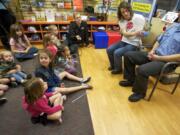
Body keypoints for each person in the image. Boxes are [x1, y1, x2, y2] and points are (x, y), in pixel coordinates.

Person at [119, 20, 180, 102]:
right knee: (128, 55)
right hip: (155, 54)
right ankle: (131, 80)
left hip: (167, 63)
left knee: (142, 70)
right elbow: (159, 40)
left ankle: (140, 93)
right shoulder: (173, 26)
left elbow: (178, 57)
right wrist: (152, 51)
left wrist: (158, 58)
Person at [106, 1, 145, 74]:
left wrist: (127, 33)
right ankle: (114, 65)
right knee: (109, 49)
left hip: (134, 43)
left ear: (130, 10)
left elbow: (135, 34)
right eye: (123, 12)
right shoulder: (122, 21)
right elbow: (125, 33)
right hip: (124, 41)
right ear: (121, 13)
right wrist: (133, 33)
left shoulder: (139, 18)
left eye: (127, 11)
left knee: (117, 53)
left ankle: (118, 69)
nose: (125, 13)